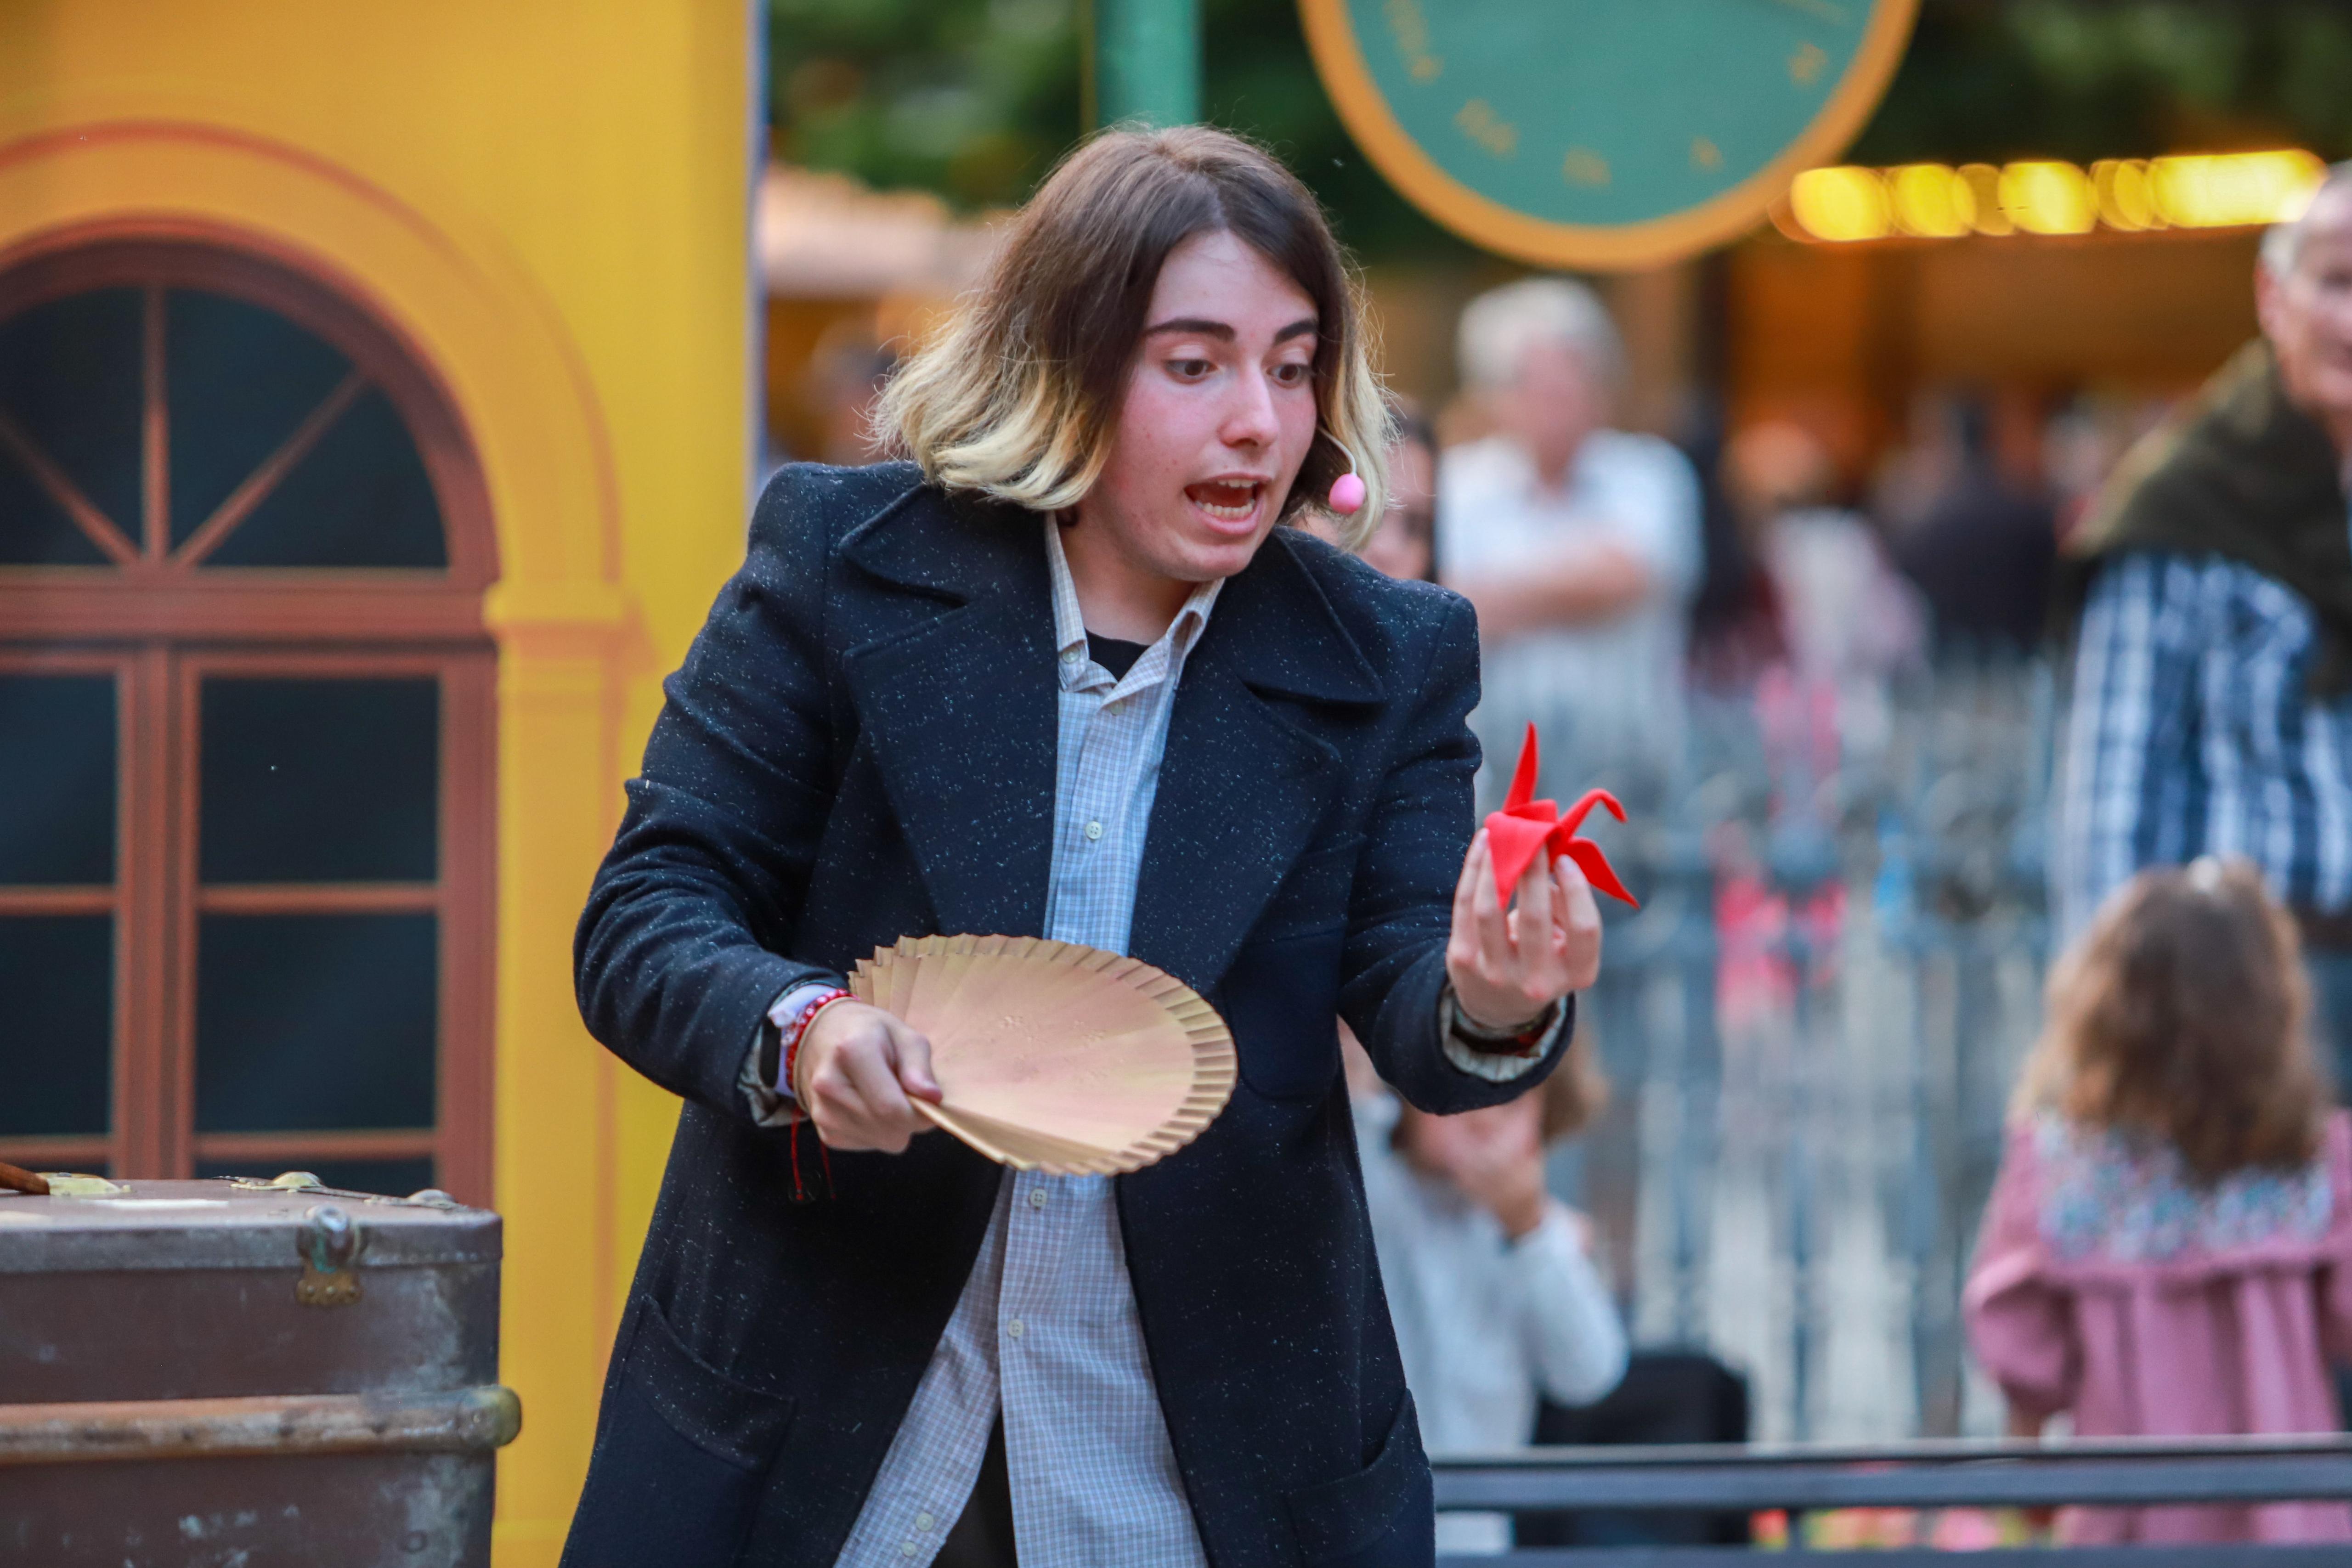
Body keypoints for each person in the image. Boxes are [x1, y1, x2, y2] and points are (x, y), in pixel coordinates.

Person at [562, 126, 1606, 1568]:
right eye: (1195, 365)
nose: (1259, 421)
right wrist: (802, 1032)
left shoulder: (1390, 652)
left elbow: (1416, 1004)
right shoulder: (840, 560)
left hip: (1201, 1473)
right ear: (1066, 360)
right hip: (822, 1436)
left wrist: (1493, 993)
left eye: (1292, 366)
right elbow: (647, 910)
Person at [2053, 163, 2352, 1086]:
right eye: (2336, 282)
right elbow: (2113, 803)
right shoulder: (2187, 501)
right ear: (2273, 297)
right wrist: (2106, 1035)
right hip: (2254, 989)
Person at [1964, 857, 2352, 1546]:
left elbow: (2024, 1358)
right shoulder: (2311, 1159)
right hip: (2290, 1522)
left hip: (2128, 1523)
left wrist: (2029, 1478)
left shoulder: (2062, 1167)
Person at [1436, 279, 1703, 814]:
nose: (1556, 398)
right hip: (1490, 788)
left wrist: (1493, 598)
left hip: (1632, 789)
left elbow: (1625, 578)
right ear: (1493, 395)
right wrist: (1576, 585)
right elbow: (1441, 610)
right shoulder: (1456, 485)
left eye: (1572, 377)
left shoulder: (1651, 473)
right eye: (1533, 383)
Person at [1348, 1044, 1625, 1555]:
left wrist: (1531, 1231)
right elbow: (1355, 1118)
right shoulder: (1366, 1189)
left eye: (1512, 1101)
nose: (1484, 1121)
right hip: (1364, 1537)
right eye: (1458, 1095)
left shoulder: (1542, 1236)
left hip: (1477, 1538)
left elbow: (1588, 1374)